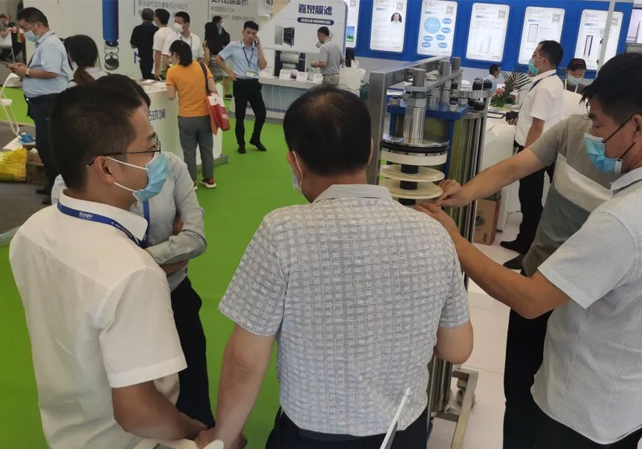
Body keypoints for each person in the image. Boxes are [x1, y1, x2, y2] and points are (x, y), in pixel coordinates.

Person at [420, 53, 642, 449]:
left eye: (599, 123)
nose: (592, 133)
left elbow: (531, 300)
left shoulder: (625, 219)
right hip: (632, 405)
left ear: (636, 127)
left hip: (577, 411)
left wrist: (455, 241)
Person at [195, 86, 473, 449]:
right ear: (370, 150)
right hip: (402, 431)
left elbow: (246, 361)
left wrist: (223, 437)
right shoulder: (433, 234)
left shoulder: (283, 232)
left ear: (295, 162)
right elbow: (457, 349)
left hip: (311, 436)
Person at [9, 82, 206, 449]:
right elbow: (137, 413)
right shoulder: (133, 273)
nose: (158, 159)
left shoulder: (31, 233)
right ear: (106, 167)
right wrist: (195, 432)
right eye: (149, 148)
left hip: (68, 431)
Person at [502, 40, 565, 270]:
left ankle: (528, 250)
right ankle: (523, 239)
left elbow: (537, 126)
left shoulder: (545, 87)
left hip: (536, 150)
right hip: (542, 147)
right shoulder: (550, 82)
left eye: (535, 54)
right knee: (528, 196)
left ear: (543, 60)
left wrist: (525, 158)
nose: (532, 58)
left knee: (530, 199)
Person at [10, 7, 71, 205]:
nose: (23, 32)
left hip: (49, 100)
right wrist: (26, 70)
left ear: (37, 24)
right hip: (43, 101)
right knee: (45, 145)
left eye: (25, 27)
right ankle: (52, 183)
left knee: (48, 146)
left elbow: (52, 72)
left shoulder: (50, 44)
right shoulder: (44, 43)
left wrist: (26, 72)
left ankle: (57, 187)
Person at [166, 41, 218, 189]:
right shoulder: (202, 67)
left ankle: (192, 181)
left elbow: (170, 96)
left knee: (189, 151)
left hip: (186, 116)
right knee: (207, 149)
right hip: (205, 115)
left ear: (176, 54)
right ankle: (209, 179)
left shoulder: (172, 72)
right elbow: (212, 88)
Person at [215, 21, 268, 154]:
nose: (250, 36)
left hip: (254, 83)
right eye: (248, 32)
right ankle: (241, 143)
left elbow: (262, 66)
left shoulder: (257, 49)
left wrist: (259, 48)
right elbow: (218, 58)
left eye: (253, 33)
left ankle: (255, 138)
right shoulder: (234, 46)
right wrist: (229, 72)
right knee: (240, 116)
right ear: (243, 32)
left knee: (261, 114)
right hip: (240, 83)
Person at [207, 16, 231, 99]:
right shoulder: (211, 35)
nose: (222, 24)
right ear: (216, 23)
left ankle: (227, 93)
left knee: (226, 75)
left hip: (223, 57)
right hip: (215, 59)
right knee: (215, 79)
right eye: (221, 22)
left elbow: (228, 46)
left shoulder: (226, 34)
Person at [130, 8, 158, 80]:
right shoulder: (157, 30)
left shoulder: (137, 29)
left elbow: (133, 45)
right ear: (153, 17)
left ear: (142, 17)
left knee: (147, 80)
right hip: (156, 60)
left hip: (144, 60)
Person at [152, 8, 175, 80]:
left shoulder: (159, 33)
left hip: (161, 69)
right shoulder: (172, 32)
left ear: (157, 18)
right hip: (170, 66)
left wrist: (156, 71)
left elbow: (158, 53)